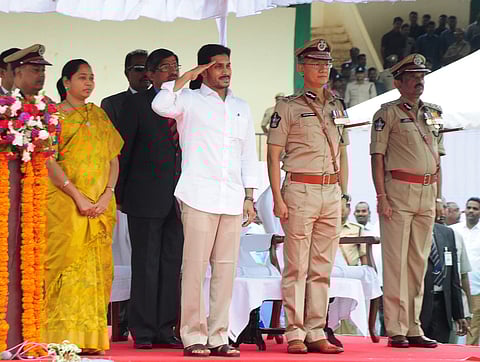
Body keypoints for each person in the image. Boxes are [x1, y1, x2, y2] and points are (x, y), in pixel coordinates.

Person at [152, 44, 258, 358]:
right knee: (195, 270)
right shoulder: (188, 100)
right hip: (198, 195)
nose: (225, 71)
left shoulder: (241, 106)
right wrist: (186, 77)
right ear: (204, 69)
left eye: (228, 65)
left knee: (226, 271)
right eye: (217, 65)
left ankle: (219, 336)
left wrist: (249, 196)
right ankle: (192, 335)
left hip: (232, 198)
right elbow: (160, 104)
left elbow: (248, 156)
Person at [267, 38, 348, 355]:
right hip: (300, 189)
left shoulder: (338, 106)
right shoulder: (288, 107)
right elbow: (274, 156)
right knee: (296, 265)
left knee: (322, 267)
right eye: (315, 63)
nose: (322, 69)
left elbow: (342, 152)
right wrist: (278, 197)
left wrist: (343, 192)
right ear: (302, 68)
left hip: (331, 191)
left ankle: (316, 329)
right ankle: (294, 331)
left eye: (326, 64)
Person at [41, 59, 123, 354]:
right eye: (82, 78)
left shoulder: (99, 116)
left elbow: (113, 160)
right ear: (66, 82)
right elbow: (48, 160)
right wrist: (78, 197)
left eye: (92, 78)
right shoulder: (53, 117)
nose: (88, 83)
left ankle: (90, 339)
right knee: (66, 266)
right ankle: (58, 337)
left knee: (95, 271)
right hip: (65, 205)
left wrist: (106, 195)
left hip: (101, 205)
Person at [370, 53, 446, 348]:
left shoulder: (434, 113)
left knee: (418, 263)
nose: (419, 82)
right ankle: (396, 327)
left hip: (427, 193)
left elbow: (438, 159)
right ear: (398, 82)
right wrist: (381, 196)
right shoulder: (386, 113)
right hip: (398, 190)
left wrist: (439, 196)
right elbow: (377, 157)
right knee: (395, 262)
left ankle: (414, 325)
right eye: (413, 77)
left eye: (422, 77)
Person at [116, 48, 184, 350]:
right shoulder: (136, 104)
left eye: (176, 67)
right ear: (151, 74)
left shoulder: (185, 102)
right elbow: (125, 151)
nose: (172, 73)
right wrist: (120, 193)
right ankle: (142, 330)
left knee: (171, 264)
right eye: (165, 68)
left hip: (181, 196)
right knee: (145, 264)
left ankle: (165, 328)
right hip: (144, 195)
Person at [100, 48, 149, 342]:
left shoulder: (163, 102)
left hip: (154, 196)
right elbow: (111, 152)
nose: (142, 74)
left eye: (147, 68)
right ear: (126, 72)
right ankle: (119, 320)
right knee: (121, 259)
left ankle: (144, 317)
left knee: (146, 259)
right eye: (137, 68)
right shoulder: (113, 104)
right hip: (121, 195)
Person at [420, 205, 468, 343]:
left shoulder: (447, 233)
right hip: (419, 305)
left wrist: (459, 314)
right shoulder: (411, 231)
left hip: (443, 306)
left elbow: (453, 276)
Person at [452, 197, 480, 345]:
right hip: (456, 287)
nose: (471, 211)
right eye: (469, 207)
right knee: (454, 327)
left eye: (475, 209)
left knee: (473, 329)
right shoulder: (454, 230)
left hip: (476, 288)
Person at [101, 49, 150, 128]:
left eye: (149, 69)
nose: (146, 73)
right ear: (127, 73)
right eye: (139, 68)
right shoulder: (112, 104)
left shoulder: (160, 101)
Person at [339, 201, 366, 266]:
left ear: (350, 210)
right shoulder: (327, 229)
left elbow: (363, 254)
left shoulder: (358, 228)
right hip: (332, 270)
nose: (342, 209)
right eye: (338, 206)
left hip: (352, 270)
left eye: (345, 207)